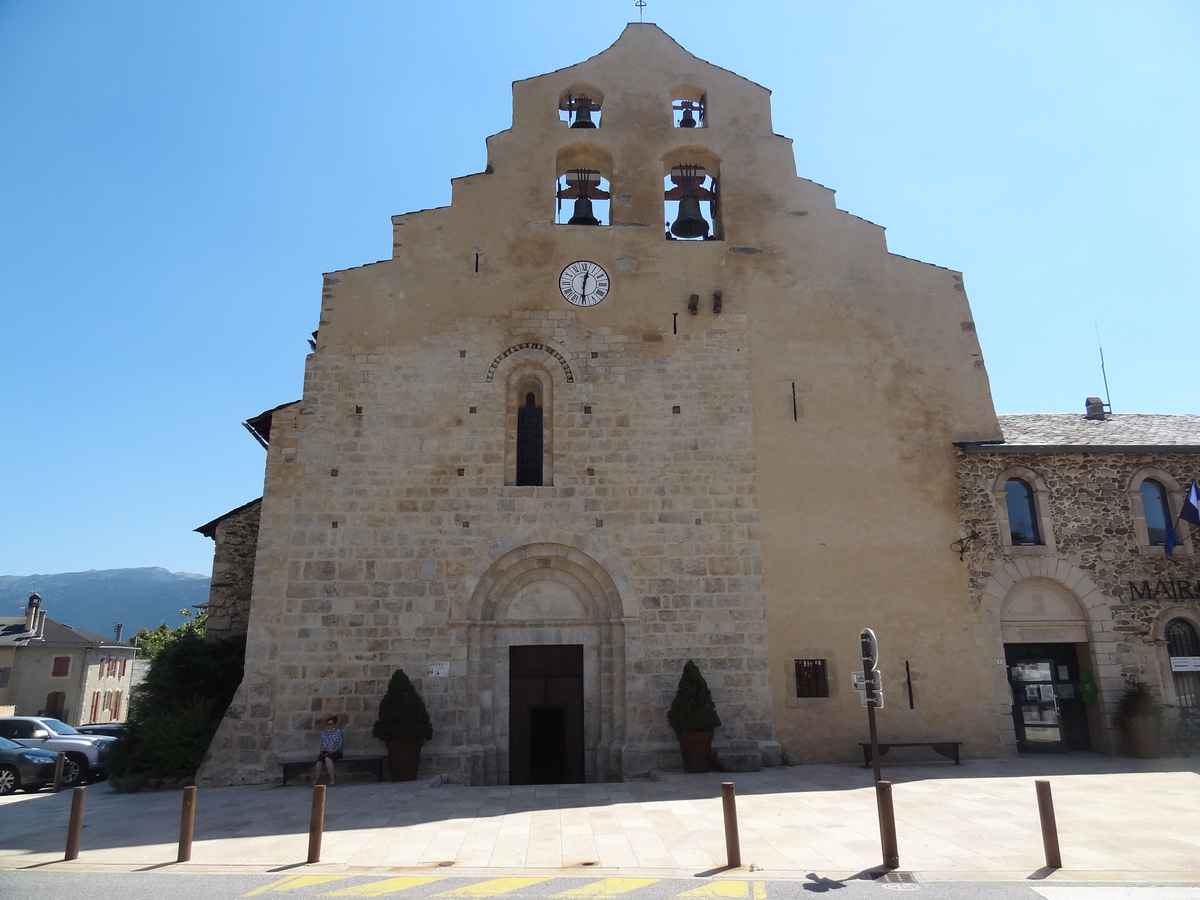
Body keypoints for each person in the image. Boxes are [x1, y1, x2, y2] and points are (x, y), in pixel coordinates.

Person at [312, 716, 344, 785]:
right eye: (328, 724)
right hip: (326, 751)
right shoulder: (324, 733)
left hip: (336, 752)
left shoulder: (338, 732)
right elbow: (322, 744)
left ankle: (332, 780)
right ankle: (316, 780)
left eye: (331, 723)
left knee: (328, 758)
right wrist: (323, 750)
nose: (330, 725)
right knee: (319, 760)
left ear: (335, 724)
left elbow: (339, 745)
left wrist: (332, 750)